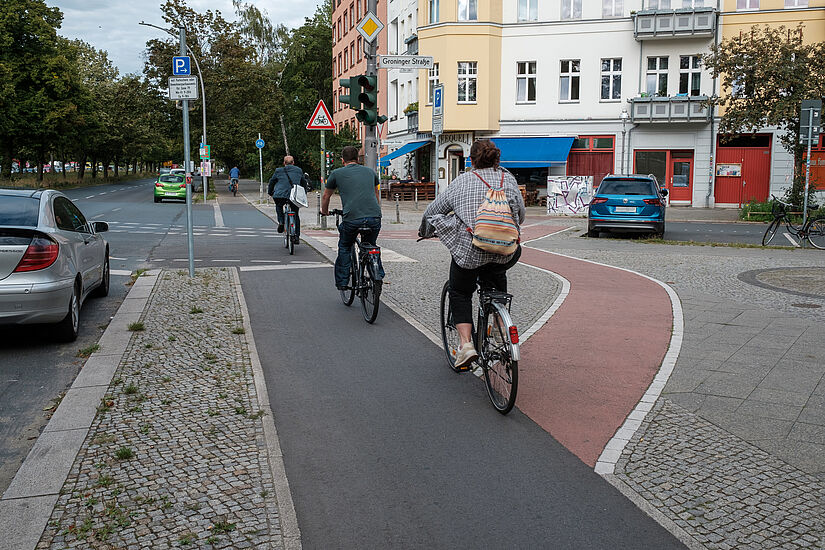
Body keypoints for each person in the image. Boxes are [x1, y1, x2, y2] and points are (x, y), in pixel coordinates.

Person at [418, 140, 526, 370]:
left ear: (472, 161)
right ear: (497, 159)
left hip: (470, 252)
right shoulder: (509, 180)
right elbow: (521, 214)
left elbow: (432, 211)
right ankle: (499, 325)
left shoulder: (462, 181)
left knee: (459, 292)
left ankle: (466, 346)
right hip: (505, 250)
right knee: (497, 281)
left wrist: (425, 231)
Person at [320, 145, 385, 290]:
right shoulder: (370, 172)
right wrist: (375, 212)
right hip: (374, 216)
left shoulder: (336, 173)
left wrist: (324, 212)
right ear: (358, 159)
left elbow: (326, 196)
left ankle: (343, 282)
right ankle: (377, 274)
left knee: (345, 245)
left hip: (352, 219)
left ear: (343, 160)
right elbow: (376, 195)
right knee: (370, 244)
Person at [268, 156, 310, 234]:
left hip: (280, 195)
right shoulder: (298, 170)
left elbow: (272, 182)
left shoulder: (278, 170)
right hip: (294, 195)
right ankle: (296, 236)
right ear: (293, 162)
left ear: (284, 163)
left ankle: (281, 221)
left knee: (279, 206)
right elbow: (303, 182)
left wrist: (270, 192)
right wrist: (304, 193)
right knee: (295, 214)